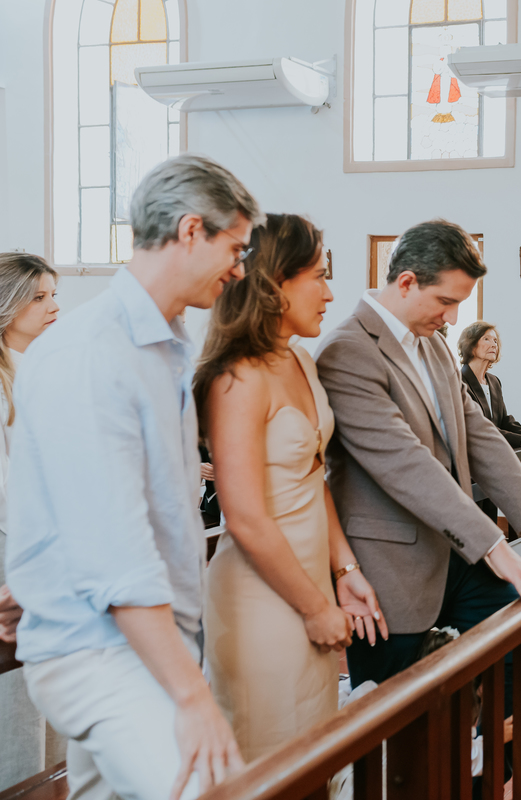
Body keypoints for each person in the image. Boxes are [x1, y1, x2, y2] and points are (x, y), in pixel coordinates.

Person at [5, 154, 261, 800]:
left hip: (150, 640)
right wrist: (192, 697)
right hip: (99, 648)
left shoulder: (164, 342)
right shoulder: (94, 352)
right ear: (190, 230)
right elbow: (115, 552)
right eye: (234, 247)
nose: (239, 269)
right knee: (210, 790)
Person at [315, 220, 521, 698]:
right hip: (391, 566)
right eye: (447, 301)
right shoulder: (347, 351)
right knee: (395, 716)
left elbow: (479, 435)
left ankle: (478, 768)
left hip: (455, 555)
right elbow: (406, 465)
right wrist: (500, 550)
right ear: (407, 282)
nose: (453, 319)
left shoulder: (431, 343)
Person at [194, 214, 388, 764]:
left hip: (311, 584)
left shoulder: (300, 358)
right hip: (261, 596)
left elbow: (313, 477)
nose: (329, 293)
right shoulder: (237, 376)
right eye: (318, 277)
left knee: (314, 754)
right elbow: (245, 516)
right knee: (268, 760)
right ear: (274, 284)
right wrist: (311, 608)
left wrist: (345, 573)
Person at [0, 252, 59, 788]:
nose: (53, 307)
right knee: (15, 696)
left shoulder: (42, 367)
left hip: (50, 547)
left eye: (53, 294)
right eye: (38, 297)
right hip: (14, 548)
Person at [457, 321, 521, 525]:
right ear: (470, 344)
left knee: (490, 518)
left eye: (495, 340)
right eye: (486, 339)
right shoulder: (459, 381)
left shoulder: (494, 381)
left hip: (493, 464)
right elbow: (480, 427)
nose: (493, 344)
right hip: (470, 465)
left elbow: (505, 420)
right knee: (474, 525)